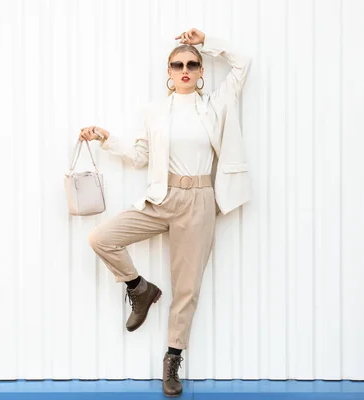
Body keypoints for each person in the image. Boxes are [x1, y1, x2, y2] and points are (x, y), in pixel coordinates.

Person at [79, 27, 252, 397]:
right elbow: (141, 157)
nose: (185, 69)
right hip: (162, 197)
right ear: (169, 73)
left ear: (201, 71)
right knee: (101, 238)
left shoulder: (217, 104)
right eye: (178, 64)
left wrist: (206, 42)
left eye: (192, 64)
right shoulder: (155, 112)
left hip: (200, 200)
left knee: (187, 288)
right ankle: (138, 288)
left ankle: (173, 357)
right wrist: (107, 140)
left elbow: (242, 64)